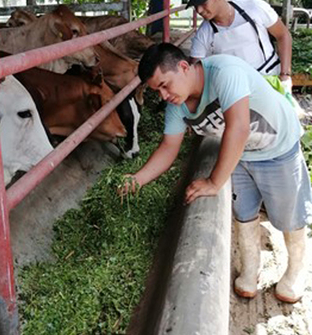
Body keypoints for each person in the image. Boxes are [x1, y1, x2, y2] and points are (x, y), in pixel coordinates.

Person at [120, 43, 312, 303]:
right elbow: (168, 147)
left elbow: (239, 128)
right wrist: (136, 179)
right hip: (240, 154)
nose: (164, 96)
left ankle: (295, 273)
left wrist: (214, 181)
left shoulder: (224, 72)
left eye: (165, 85)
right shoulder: (177, 106)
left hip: (276, 147)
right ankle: (250, 269)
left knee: (289, 215)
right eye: (157, 91)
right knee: (243, 212)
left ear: (184, 66)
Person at [187, 0, 293, 91]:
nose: (199, 10)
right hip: (236, 90)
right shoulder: (203, 34)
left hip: (271, 78)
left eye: (203, 3)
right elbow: (196, 73)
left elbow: (283, 35)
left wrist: (285, 75)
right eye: (195, 6)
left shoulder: (255, 8)